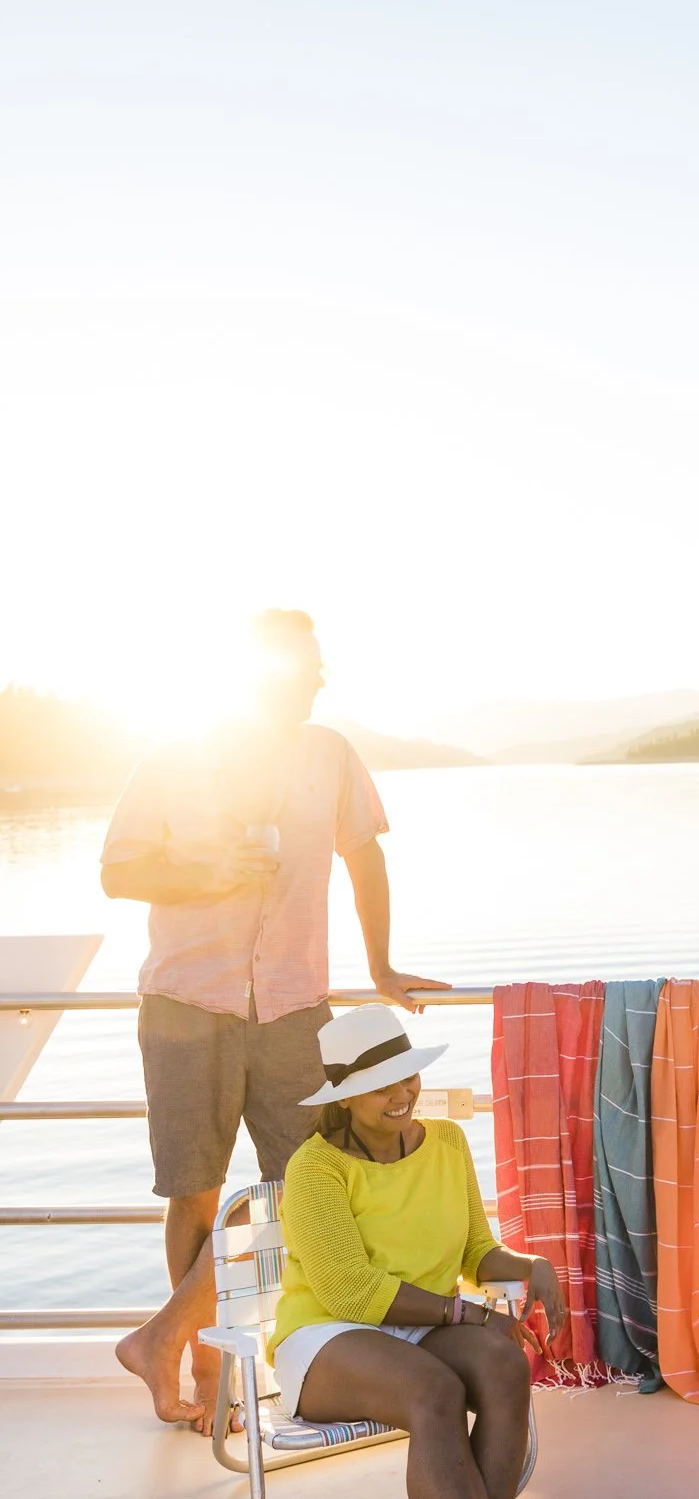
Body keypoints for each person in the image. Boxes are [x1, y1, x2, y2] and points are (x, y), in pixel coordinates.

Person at [101, 609, 445, 1428]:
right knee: (195, 1194)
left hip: (295, 1006)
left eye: (316, 669)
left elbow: (365, 855)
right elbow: (118, 872)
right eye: (300, 670)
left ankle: (161, 1334)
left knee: (306, 1192)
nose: (316, 681)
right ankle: (206, 1372)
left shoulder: (330, 755)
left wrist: (381, 965)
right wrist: (205, 871)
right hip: (186, 1004)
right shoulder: (172, 759)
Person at [275, 1005, 572, 1499]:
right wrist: (463, 1313)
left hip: (417, 1324)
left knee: (501, 1366)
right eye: (380, 1084)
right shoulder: (315, 1168)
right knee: (434, 1388)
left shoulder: (445, 1143)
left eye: (405, 1074)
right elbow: (349, 1292)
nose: (400, 1093)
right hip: (325, 1338)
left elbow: (475, 1253)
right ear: (344, 1094)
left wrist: (532, 1267)